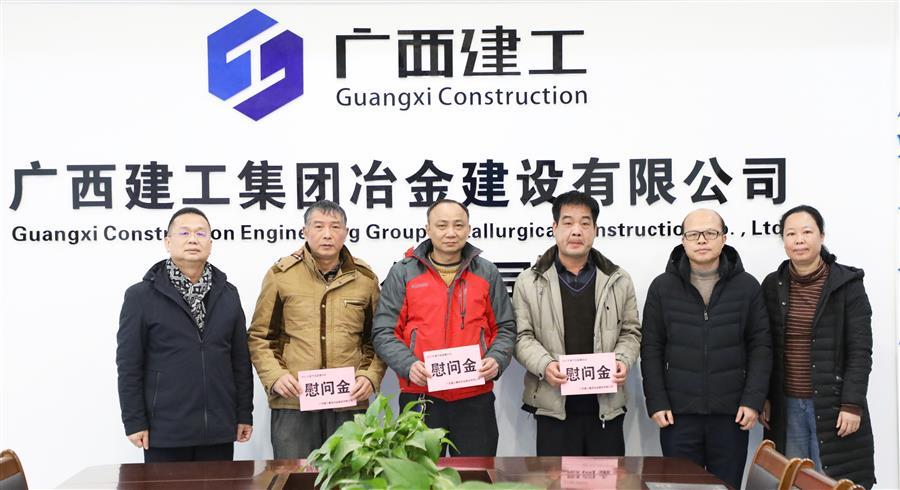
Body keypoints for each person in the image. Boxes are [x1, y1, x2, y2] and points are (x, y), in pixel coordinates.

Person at [372, 199, 516, 457]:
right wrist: (408, 365)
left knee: (476, 475)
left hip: (474, 398)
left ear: (469, 229)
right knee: (419, 475)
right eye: (442, 225)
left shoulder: (487, 273)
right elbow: (384, 332)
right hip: (420, 397)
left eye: (458, 225)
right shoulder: (403, 273)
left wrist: (496, 359)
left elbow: (505, 327)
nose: (451, 232)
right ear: (428, 229)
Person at [640, 208, 771, 489]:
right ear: (683, 240)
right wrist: (657, 401)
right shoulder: (662, 287)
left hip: (731, 414)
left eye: (710, 233)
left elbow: (760, 346)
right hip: (678, 415)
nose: (701, 240)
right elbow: (651, 348)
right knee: (682, 488)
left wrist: (753, 400)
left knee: (726, 486)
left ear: (724, 238)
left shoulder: (747, 287)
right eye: (693, 234)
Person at [248, 200, 385, 459]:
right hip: (294, 401)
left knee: (349, 476)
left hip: (348, 401)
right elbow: (260, 337)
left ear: (346, 232)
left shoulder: (365, 279)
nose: (327, 234)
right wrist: (275, 376)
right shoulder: (281, 275)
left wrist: (369, 376)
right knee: (295, 475)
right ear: (305, 231)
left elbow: (377, 338)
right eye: (319, 226)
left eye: (335, 227)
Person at [116, 207, 253, 462]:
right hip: (165, 430)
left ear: (210, 243)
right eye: (184, 233)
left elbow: (240, 361)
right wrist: (134, 420)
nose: (193, 239)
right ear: (168, 242)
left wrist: (244, 413)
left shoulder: (228, 294)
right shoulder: (140, 296)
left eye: (201, 233)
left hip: (219, 429)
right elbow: (129, 364)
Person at [513, 191, 642, 456]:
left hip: (606, 404)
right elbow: (521, 336)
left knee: (609, 477)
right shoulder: (528, 281)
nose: (576, 231)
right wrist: (545, 365)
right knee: (554, 477)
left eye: (585, 223)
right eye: (568, 222)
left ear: (595, 230)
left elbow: (631, 332)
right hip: (552, 404)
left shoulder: (619, 279)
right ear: (554, 228)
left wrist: (622, 360)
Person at [760, 205, 875, 488]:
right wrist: (764, 396)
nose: (799, 240)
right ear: (783, 240)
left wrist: (852, 404)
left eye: (807, 232)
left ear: (821, 236)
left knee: (831, 481)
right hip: (787, 406)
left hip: (833, 405)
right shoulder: (772, 285)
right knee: (794, 480)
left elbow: (860, 350)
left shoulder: (847, 285)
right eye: (791, 234)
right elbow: (765, 347)